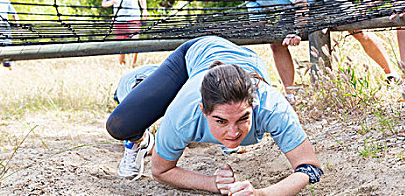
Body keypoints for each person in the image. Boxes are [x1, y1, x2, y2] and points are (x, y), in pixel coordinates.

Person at [106, 36, 323, 195]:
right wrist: (212, 183)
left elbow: (310, 167)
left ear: (254, 106)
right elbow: (161, 171)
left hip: (246, 61)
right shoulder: (182, 115)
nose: (233, 132)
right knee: (121, 125)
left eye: (243, 118)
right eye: (220, 120)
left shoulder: (272, 107)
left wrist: (262, 194)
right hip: (194, 53)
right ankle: (145, 79)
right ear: (203, 110)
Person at [222, 0, 400, 95]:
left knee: (358, 30)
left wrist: (297, 31)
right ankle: (290, 94)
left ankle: (391, 74)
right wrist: (233, 32)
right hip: (292, 7)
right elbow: (259, 24)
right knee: (275, 43)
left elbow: (301, 3)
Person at [102, 0, 148, 67]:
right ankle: (122, 64)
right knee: (121, 44)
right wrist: (112, 1)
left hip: (134, 18)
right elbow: (104, 3)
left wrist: (144, 10)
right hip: (120, 20)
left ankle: (133, 65)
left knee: (135, 41)